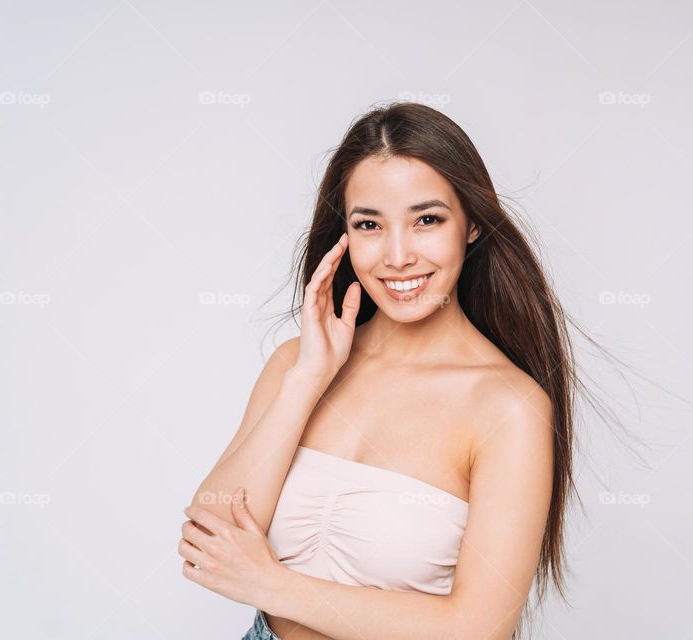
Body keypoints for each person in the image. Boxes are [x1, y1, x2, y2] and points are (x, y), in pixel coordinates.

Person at [179, 102, 623, 639]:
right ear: (343, 234)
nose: (397, 255)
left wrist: (271, 585)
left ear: (473, 224)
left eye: (427, 220)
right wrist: (308, 379)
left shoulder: (508, 408)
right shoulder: (297, 366)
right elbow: (209, 538)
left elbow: (478, 630)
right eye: (369, 224)